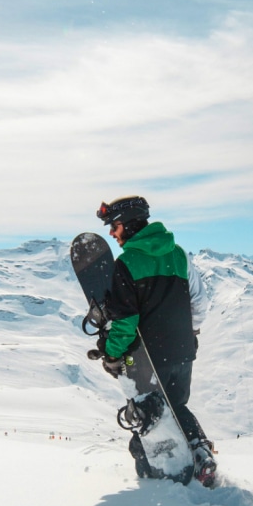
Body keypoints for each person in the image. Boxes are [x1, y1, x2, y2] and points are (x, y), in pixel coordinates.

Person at [89, 196, 206, 478]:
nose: (111, 233)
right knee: (176, 408)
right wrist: (187, 334)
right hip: (183, 352)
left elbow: (126, 320)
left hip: (148, 357)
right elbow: (199, 303)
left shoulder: (127, 263)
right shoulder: (179, 254)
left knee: (147, 416)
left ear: (128, 225)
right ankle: (200, 455)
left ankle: (154, 481)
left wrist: (114, 352)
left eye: (114, 226)